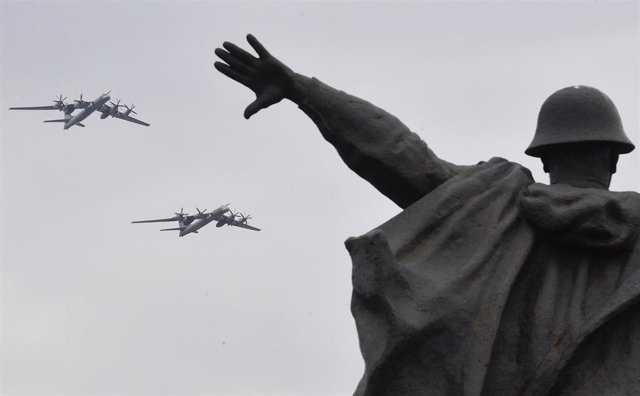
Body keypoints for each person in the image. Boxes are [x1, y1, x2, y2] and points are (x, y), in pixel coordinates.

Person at [215, 34, 640, 395]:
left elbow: (401, 154)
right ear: (613, 158)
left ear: (544, 157)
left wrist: (302, 90)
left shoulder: (493, 204)